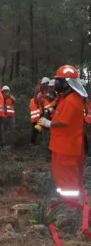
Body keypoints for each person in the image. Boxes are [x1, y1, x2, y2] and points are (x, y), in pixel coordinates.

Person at [38, 65, 88, 200]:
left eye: (58, 80)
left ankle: (71, 207)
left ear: (66, 82)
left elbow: (63, 121)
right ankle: (65, 201)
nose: (56, 83)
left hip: (67, 148)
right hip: (61, 146)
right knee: (61, 176)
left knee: (67, 178)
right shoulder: (65, 98)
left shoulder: (71, 101)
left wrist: (48, 123)